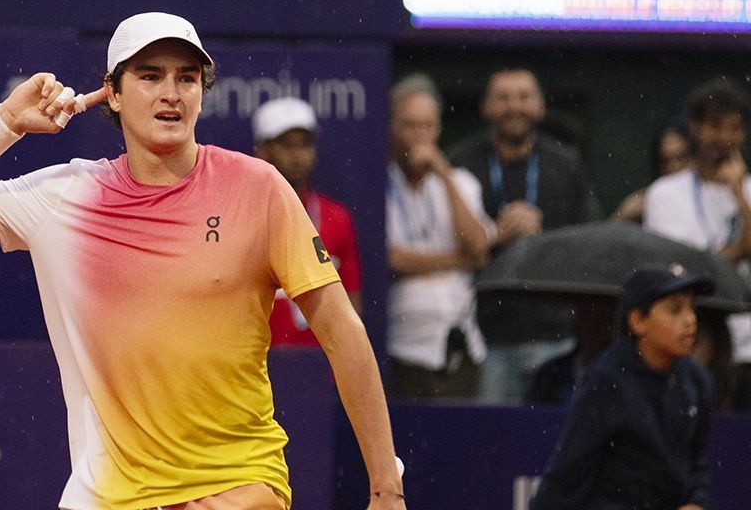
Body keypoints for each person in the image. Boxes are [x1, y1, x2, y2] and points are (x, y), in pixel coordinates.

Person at [0, 12, 406, 509]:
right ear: (111, 93)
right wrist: (5, 123)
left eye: (187, 77)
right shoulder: (65, 197)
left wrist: (386, 489)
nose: (171, 93)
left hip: (237, 487)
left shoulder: (259, 188)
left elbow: (343, 331)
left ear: (203, 92)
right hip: (104, 496)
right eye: (150, 75)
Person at [449, 67, 601, 404]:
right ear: (485, 107)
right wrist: (494, 234)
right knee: (489, 446)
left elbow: (589, 240)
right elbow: (446, 243)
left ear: (540, 106)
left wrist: (543, 235)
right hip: (482, 335)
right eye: (502, 98)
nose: (513, 106)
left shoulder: (566, 163)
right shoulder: (461, 162)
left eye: (523, 96)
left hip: (555, 331)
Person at [530, 263, 714, 510]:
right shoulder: (607, 381)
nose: (690, 320)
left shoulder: (698, 381)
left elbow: (697, 462)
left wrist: (696, 502)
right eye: (674, 310)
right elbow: (569, 470)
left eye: (692, 308)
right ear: (638, 321)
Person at [645, 78, 751, 412]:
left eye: (735, 128)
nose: (726, 138)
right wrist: (736, 251)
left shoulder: (748, 190)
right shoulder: (665, 192)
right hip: (691, 343)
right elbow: (681, 269)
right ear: (695, 127)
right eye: (716, 126)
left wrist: (739, 195)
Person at [386, 74, 491, 400]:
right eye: (410, 125)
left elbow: (478, 246)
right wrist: (460, 260)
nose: (419, 136)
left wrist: (444, 175)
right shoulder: (380, 184)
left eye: (427, 126)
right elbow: (393, 259)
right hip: (403, 347)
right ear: (391, 127)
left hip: (460, 345)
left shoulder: (460, 181)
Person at [252, 96, 364, 345]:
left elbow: (351, 300)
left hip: (320, 364)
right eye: (286, 145)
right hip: (255, 365)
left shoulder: (336, 217)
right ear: (263, 150)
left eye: (304, 145)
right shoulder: (243, 214)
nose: (297, 155)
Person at [612, 125, 692, 223]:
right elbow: (609, 232)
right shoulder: (647, 200)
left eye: (682, 158)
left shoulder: (709, 192)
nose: (674, 166)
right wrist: (624, 215)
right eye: (666, 161)